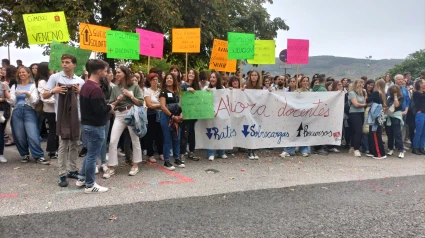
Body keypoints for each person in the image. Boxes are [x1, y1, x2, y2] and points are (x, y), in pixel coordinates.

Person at [42, 54, 85, 187]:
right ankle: (62, 174)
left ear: (74, 65)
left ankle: (72, 170)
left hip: (76, 117)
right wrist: (54, 90)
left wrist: (80, 92)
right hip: (62, 117)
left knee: (74, 144)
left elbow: (84, 100)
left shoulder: (80, 80)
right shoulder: (55, 77)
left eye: (67, 62)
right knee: (63, 145)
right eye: (63, 62)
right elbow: (44, 94)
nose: (64, 64)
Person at [76, 59, 114, 193]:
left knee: (90, 154)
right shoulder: (96, 89)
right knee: (93, 156)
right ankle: (90, 185)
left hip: (87, 125)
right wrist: (110, 106)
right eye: (105, 70)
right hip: (95, 126)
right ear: (99, 71)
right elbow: (100, 110)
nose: (106, 73)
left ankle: (81, 177)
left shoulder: (86, 85)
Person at [103, 66, 144, 178]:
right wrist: (118, 100)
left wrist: (131, 96)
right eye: (116, 72)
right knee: (112, 141)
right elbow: (111, 105)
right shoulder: (115, 88)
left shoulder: (135, 86)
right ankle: (111, 167)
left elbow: (140, 102)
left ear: (125, 73)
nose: (117, 74)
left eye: (119, 72)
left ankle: (135, 165)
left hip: (132, 113)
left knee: (135, 140)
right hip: (119, 114)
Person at [6, 66, 48, 164]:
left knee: (33, 134)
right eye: (20, 73)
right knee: (19, 135)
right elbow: (11, 102)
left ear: (29, 73)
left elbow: (35, 100)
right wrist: (7, 94)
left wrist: (26, 93)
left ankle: (39, 156)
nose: (22, 74)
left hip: (29, 111)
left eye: (24, 72)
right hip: (17, 111)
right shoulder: (14, 86)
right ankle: (24, 154)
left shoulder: (33, 86)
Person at [159, 73, 185, 170]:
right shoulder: (163, 92)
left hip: (176, 118)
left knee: (177, 138)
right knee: (168, 139)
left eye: (171, 78)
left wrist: (180, 114)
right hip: (166, 117)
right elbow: (162, 106)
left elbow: (179, 105)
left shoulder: (176, 92)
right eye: (167, 78)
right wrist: (172, 116)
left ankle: (177, 158)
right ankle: (166, 161)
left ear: (174, 80)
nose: (169, 79)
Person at [280, 76, 311, 157]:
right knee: (293, 132)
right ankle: (289, 150)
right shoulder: (296, 91)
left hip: (306, 115)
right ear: (300, 82)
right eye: (303, 81)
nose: (305, 82)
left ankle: (304, 150)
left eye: (306, 81)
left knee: (304, 132)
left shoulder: (310, 92)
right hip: (296, 115)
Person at [205, 72, 227, 161]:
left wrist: (230, 90)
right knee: (211, 133)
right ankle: (210, 153)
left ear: (218, 79)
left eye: (214, 77)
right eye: (211, 77)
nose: (212, 79)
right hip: (210, 114)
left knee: (220, 132)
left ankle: (221, 152)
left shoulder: (223, 88)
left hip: (220, 114)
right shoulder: (206, 88)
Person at [37, 62, 58, 160]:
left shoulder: (52, 79)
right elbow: (44, 97)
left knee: (57, 129)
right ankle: (52, 151)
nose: (52, 69)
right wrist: (58, 101)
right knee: (53, 129)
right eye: (50, 67)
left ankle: (55, 149)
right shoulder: (42, 82)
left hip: (57, 108)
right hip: (50, 109)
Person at [180, 69, 201, 161]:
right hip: (185, 113)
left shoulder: (197, 87)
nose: (191, 74)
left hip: (194, 114)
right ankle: (182, 153)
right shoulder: (183, 85)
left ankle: (191, 152)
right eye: (190, 73)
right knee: (185, 133)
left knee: (192, 133)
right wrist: (187, 90)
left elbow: (201, 98)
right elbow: (180, 95)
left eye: (193, 73)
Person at [144, 73, 164, 162]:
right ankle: (150, 154)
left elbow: (164, 104)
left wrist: (158, 105)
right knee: (151, 134)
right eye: (153, 80)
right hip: (151, 114)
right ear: (149, 81)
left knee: (160, 134)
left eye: (156, 79)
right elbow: (149, 105)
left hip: (161, 114)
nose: (155, 81)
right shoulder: (147, 91)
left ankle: (161, 153)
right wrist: (160, 105)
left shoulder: (160, 91)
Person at [366, 79, 387, 159]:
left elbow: (368, 100)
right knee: (375, 133)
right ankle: (373, 151)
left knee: (375, 134)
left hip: (375, 115)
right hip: (379, 115)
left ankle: (379, 154)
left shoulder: (376, 92)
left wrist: (366, 96)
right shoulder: (383, 93)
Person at [347, 80, 367, 157]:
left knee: (355, 131)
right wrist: (365, 105)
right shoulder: (352, 93)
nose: (363, 85)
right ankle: (356, 149)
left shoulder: (361, 93)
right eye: (361, 84)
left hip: (361, 112)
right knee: (358, 131)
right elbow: (356, 104)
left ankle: (353, 146)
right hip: (354, 113)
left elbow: (364, 101)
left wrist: (365, 95)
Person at [385, 85, 405, 158]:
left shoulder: (401, 98)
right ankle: (390, 149)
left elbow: (397, 105)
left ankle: (401, 150)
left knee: (397, 134)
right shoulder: (389, 98)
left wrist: (396, 97)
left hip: (396, 117)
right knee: (390, 134)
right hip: (389, 116)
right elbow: (387, 106)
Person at [311, 75, 329, 155]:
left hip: (314, 112)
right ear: (324, 82)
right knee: (321, 130)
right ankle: (319, 147)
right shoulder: (323, 90)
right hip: (321, 112)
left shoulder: (314, 89)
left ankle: (315, 147)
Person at [412, 79, 425, 155]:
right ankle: (415, 147)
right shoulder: (416, 93)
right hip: (420, 114)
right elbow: (421, 97)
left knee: (424, 132)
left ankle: (421, 147)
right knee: (419, 132)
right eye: (424, 83)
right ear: (420, 85)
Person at [0, 80, 11, 162]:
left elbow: (9, 98)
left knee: (0, 133)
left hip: (2, 110)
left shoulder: (4, 85)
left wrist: (3, 99)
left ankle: (0, 154)